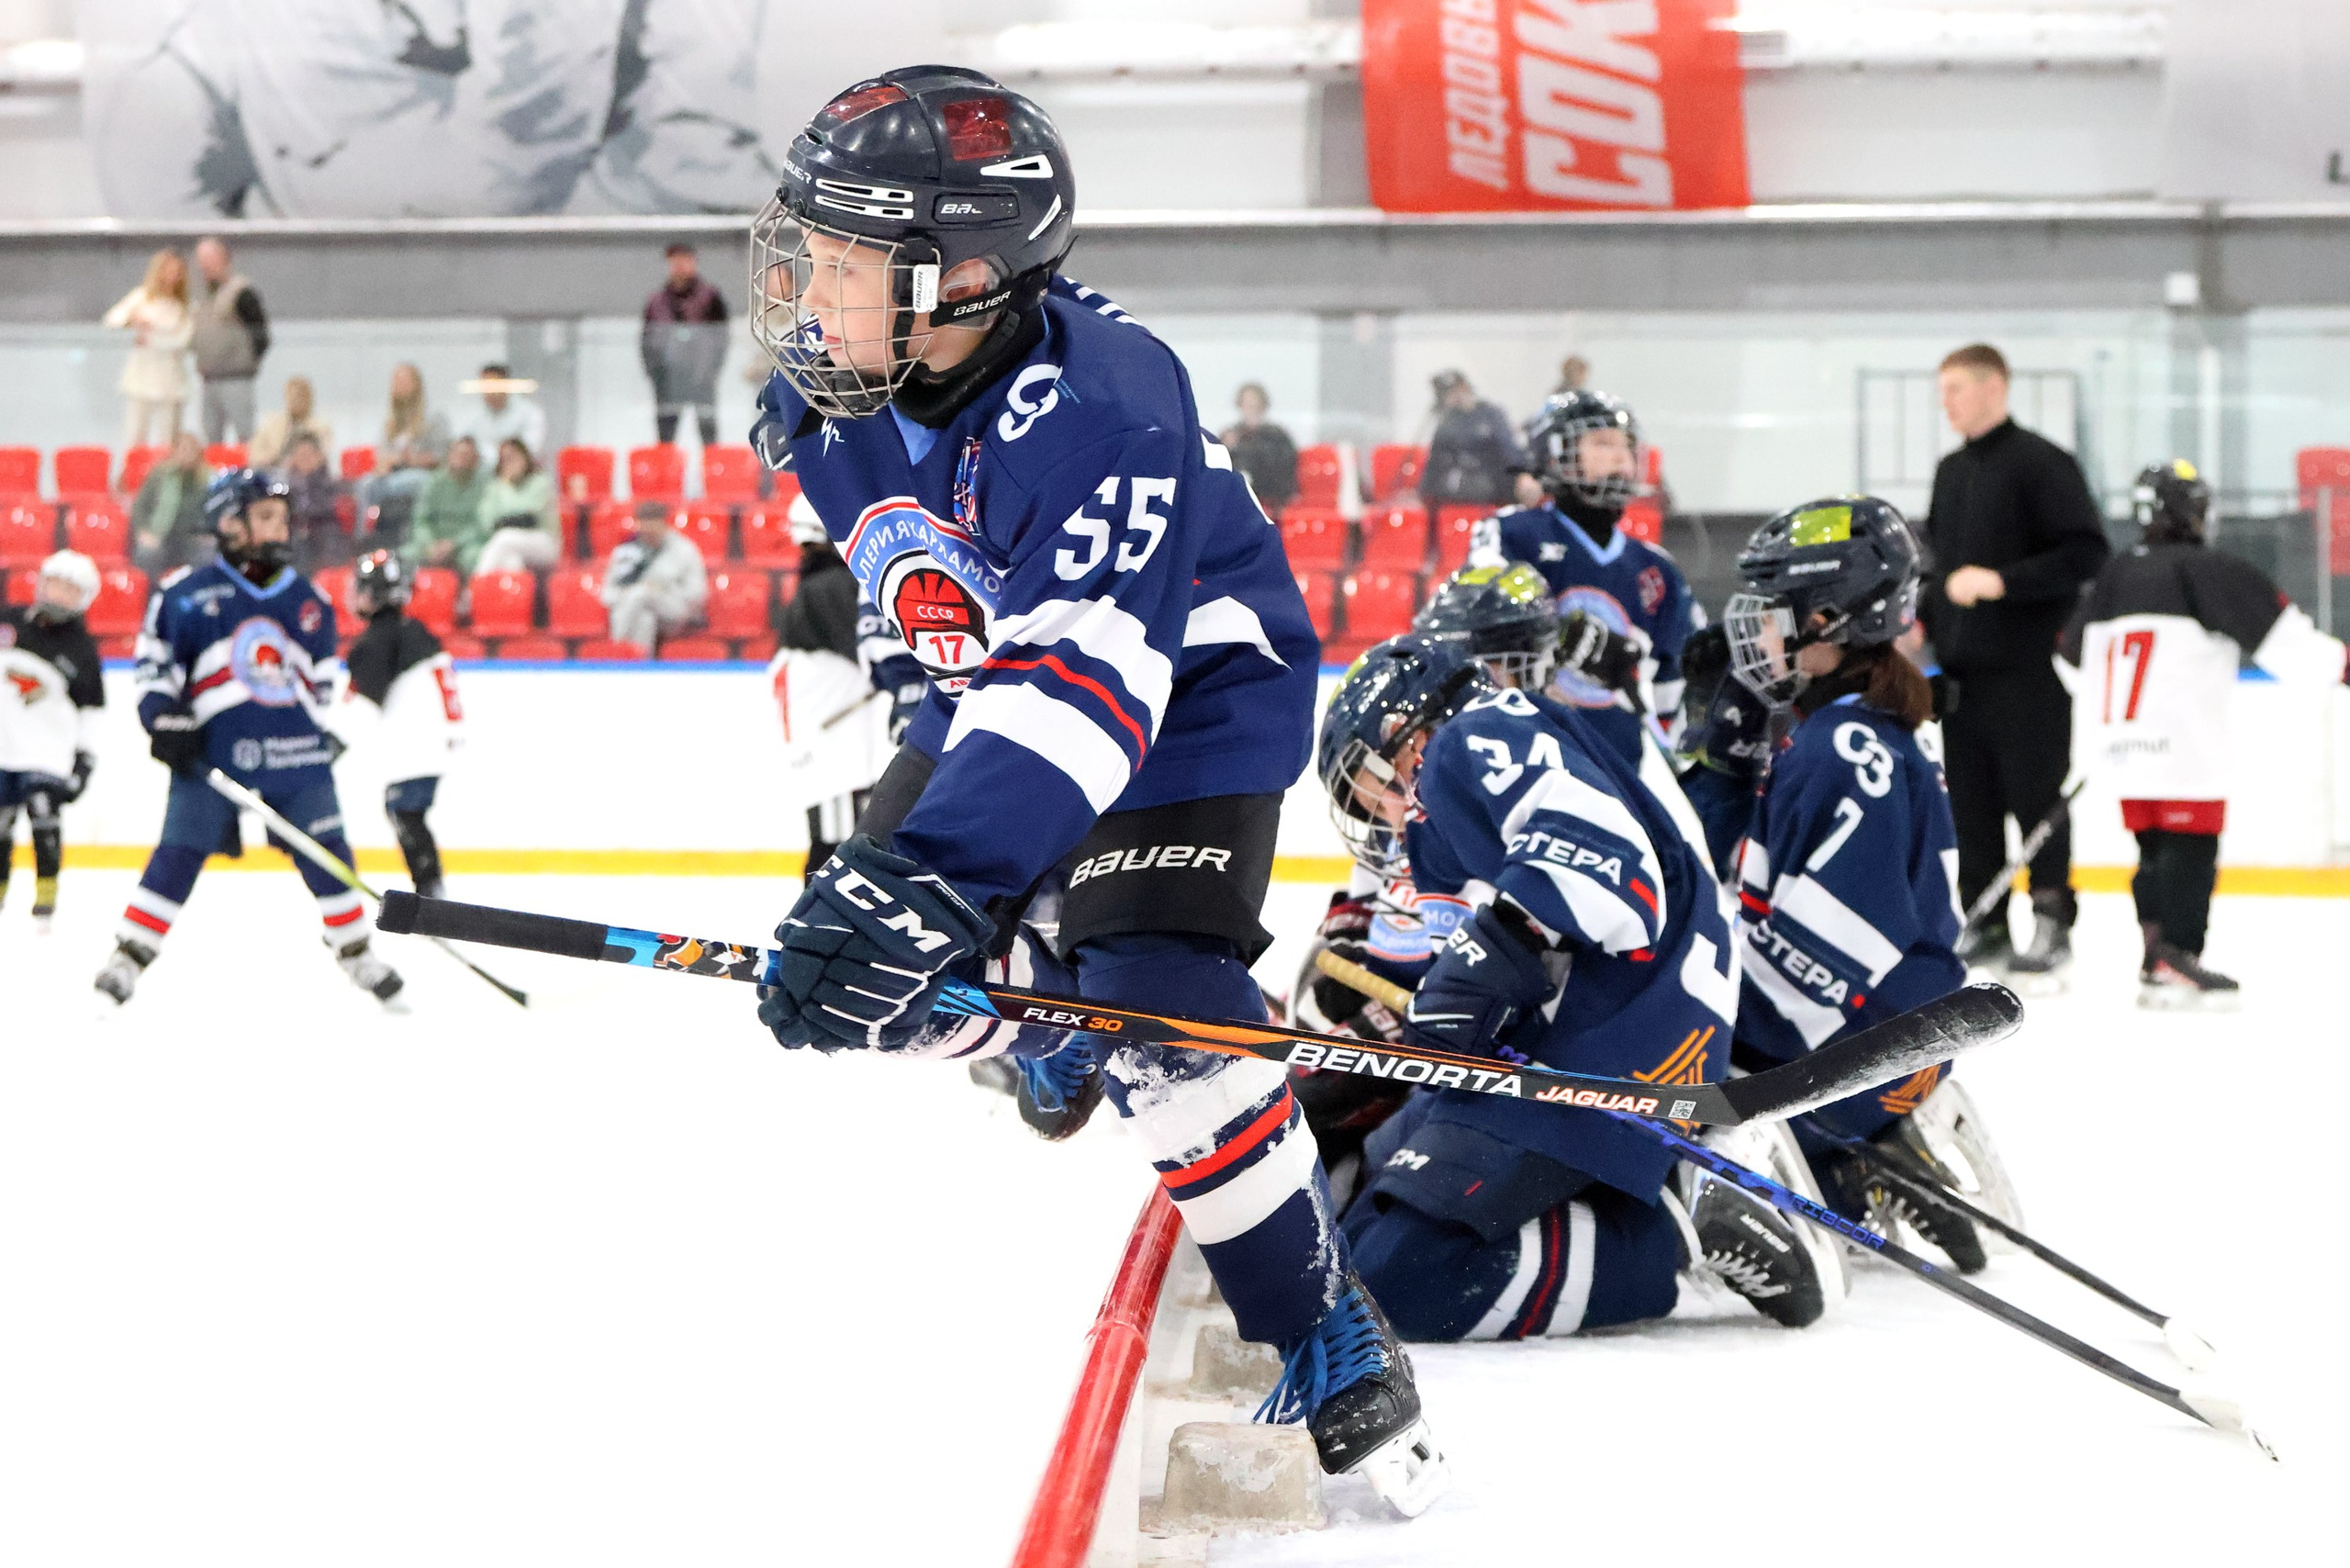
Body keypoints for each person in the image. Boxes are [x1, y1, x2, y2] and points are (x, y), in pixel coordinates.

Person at [744, 67, 1444, 1515]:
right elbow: (924, 617)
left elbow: (1092, 683)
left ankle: (1319, 1323)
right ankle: (1033, 1004)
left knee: (1159, 996)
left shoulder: (1110, 405)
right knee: (898, 980)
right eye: (806, 251)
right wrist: (910, 857)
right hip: (1000, 690)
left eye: (845, 259)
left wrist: (938, 867)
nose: (808, 289)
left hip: (1193, 693)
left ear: (964, 279)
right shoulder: (830, 394)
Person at [1314, 637, 1831, 1339]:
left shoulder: (1476, 732)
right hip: (1562, 1041)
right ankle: (1642, 1195)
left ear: (1407, 737)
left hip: (1622, 1034)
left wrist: (1475, 972)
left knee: (1401, 1282)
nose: (1374, 809)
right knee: (1354, 1223)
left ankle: (1679, 1229)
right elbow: (1475, 961)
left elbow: (1613, 872)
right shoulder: (1441, 822)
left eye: (1368, 782)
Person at [1710, 495, 2018, 1271]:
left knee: (1666, 1075)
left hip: (1865, 1048)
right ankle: (1860, 1151)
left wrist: (1698, 1013)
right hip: (1897, 1029)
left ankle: (1853, 1147)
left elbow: (1828, 951)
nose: (1758, 631)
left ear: (1828, 622)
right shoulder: (1858, 727)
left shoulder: (1839, 745)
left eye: (1777, 611)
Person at [95, 469, 403, 1007]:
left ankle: (356, 952)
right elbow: (153, 670)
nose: (280, 530)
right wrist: (164, 720)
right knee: (179, 852)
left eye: (283, 519)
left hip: (296, 755)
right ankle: (130, 955)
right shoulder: (183, 595)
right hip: (213, 754)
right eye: (265, 517)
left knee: (329, 853)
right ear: (228, 522)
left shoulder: (309, 602)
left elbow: (327, 680)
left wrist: (328, 735)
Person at [2060, 461, 2350, 1007]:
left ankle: (2155, 954)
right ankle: (2179, 954)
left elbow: (2071, 660)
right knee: (2191, 848)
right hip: (2183, 743)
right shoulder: (2206, 570)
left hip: (2123, 747)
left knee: (2150, 851)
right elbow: (2283, 639)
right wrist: (2341, 666)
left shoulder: (2114, 574)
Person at [1919, 343, 2109, 983]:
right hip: (1960, 675)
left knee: (2036, 801)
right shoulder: (1950, 472)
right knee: (1970, 807)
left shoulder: (2042, 464)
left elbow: (2086, 553)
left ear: (1993, 387)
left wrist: (2002, 582)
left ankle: (2053, 919)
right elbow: (1936, 566)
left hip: (2027, 670)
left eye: (1955, 388)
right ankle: (1988, 917)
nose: (1945, 402)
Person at [1468, 390, 1700, 767]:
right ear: (1555, 453)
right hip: (1521, 761)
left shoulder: (1657, 571)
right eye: (1602, 443)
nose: (1621, 456)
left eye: (1627, 445)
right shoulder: (1511, 534)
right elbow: (1476, 610)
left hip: (1615, 771)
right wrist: (1562, 634)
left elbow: (1678, 690)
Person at [769, 502, 888, 871]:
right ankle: (818, 924)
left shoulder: (815, 585)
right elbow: (874, 655)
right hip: (831, 738)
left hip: (824, 731)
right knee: (835, 842)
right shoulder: (833, 586)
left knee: (835, 835)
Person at [342, 550, 463, 901]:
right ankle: (430, 890)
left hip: (420, 742)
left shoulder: (379, 641)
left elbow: (359, 706)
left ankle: (431, 893)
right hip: (436, 738)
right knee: (404, 810)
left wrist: (322, 750)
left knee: (404, 810)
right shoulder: (411, 631)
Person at [0, 551, 104, 934]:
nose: (59, 594)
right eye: (56, 583)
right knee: (0, 826)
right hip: (4, 749)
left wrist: (85, 761)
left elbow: (91, 711)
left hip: (48, 754)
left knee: (44, 820)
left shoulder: (82, 650)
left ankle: (46, 900)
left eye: (70, 589)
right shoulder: (8, 622)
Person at [102, 248, 194, 448]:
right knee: (135, 437)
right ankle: (133, 478)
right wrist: (132, 321)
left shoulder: (182, 307)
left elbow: (181, 341)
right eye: (168, 271)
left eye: (177, 272)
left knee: (167, 440)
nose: (172, 277)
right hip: (141, 379)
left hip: (170, 381)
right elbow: (112, 320)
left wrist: (151, 338)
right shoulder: (141, 297)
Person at [642, 242, 730, 448]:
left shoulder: (710, 298)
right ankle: (667, 477)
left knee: (708, 433)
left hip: (701, 378)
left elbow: (721, 339)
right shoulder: (656, 302)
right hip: (668, 379)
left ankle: (712, 475)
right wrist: (655, 375)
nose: (680, 266)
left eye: (685, 260)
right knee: (666, 435)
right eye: (675, 261)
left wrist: (710, 371)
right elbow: (647, 342)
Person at [191, 236, 270, 443]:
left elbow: (260, 332)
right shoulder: (202, 296)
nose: (204, 266)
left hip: (237, 378)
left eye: (209, 260)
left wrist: (247, 360)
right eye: (202, 261)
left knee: (245, 434)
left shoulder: (241, 292)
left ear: (224, 259)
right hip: (209, 379)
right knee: (212, 436)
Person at [601, 502, 708, 653]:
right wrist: (629, 594)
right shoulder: (627, 549)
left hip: (676, 612)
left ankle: (616, 649)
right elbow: (607, 594)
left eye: (654, 526)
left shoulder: (684, 549)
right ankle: (640, 669)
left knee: (642, 594)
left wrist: (663, 590)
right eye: (645, 526)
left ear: (664, 524)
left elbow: (697, 593)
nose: (649, 531)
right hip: (634, 609)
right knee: (645, 619)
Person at [356, 362, 452, 523]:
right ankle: (365, 532)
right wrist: (383, 465)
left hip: (422, 473)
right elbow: (382, 453)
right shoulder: (391, 423)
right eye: (395, 381)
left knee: (413, 481)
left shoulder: (434, 418)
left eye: (403, 381)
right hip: (393, 473)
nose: (397, 385)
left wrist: (409, 459)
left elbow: (441, 455)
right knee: (364, 484)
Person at [1416, 370, 1522, 512]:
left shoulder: (1490, 414)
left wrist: (1521, 475)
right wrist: (1423, 492)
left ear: (1466, 387)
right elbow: (1435, 462)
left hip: (1491, 478)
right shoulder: (1448, 422)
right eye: (1447, 394)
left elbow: (1508, 449)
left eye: (1456, 390)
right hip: (1459, 480)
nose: (1453, 397)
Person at [470, 439, 561, 576]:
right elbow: (486, 521)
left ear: (525, 458)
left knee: (504, 537)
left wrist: (504, 512)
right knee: (512, 561)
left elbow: (527, 516)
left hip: (543, 541)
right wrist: (502, 487)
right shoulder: (496, 486)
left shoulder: (539, 482)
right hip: (510, 543)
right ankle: (512, 596)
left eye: (513, 457)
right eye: (504, 460)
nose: (509, 463)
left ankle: (475, 588)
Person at [129, 432, 215, 575]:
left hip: (193, 538)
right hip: (162, 535)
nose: (186, 455)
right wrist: (144, 532)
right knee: (146, 553)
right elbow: (140, 507)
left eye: (190, 450)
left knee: (208, 554)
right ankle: (153, 595)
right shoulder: (160, 475)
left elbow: (216, 512)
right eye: (182, 449)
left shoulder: (210, 479)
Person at [406, 435, 490, 576]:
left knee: (473, 558)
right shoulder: (434, 483)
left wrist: (454, 544)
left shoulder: (486, 486)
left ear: (476, 460)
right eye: (458, 454)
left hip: (466, 545)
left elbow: (481, 525)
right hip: (433, 542)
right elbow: (421, 520)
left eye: (466, 455)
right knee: (405, 556)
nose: (461, 459)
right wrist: (430, 544)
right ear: (449, 456)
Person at [1217, 382, 1299, 513]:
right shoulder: (1230, 435)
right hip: (1235, 498)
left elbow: (1283, 468)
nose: (1251, 409)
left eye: (1255, 405)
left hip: (1270, 497)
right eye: (1247, 405)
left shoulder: (1277, 436)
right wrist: (1228, 448)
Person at [280, 434, 346, 572]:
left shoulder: (329, 483)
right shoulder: (286, 486)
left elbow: (327, 509)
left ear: (319, 457)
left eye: (309, 455)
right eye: (301, 455)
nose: (305, 459)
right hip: (296, 536)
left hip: (323, 534)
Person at [455, 364, 548, 459]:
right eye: (486, 386)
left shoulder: (530, 413)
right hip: (481, 470)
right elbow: (463, 444)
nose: (490, 392)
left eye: (495, 385)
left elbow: (531, 447)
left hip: (519, 469)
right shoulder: (472, 414)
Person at [249, 375, 335, 467]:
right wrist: (270, 459)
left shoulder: (321, 428)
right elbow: (254, 454)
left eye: (300, 396)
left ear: (309, 398)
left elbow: (325, 458)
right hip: (271, 473)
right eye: (292, 396)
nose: (296, 401)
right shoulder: (271, 424)